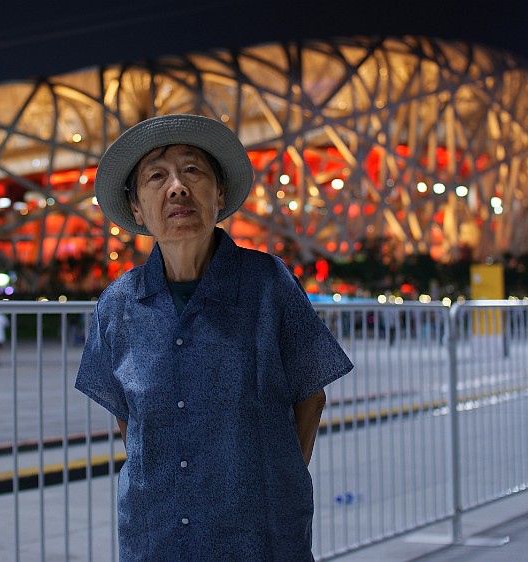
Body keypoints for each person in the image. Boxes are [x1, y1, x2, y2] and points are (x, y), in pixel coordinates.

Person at [75, 114, 353, 560]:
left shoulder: (267, 282)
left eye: (192, 171)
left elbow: (311, 396)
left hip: (258, 536)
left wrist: (274, 483)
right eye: (156, 177)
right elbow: (128, 419)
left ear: (219, 194)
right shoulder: (119, 304)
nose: (177, 188)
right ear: (136, 208)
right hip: (156, 531)